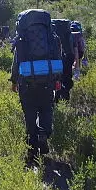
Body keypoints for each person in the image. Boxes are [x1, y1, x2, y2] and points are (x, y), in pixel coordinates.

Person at [9, 9, 62, 164]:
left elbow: (16, 63)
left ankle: (31, 152)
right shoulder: (53, 38)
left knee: (30, 116)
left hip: (26, 84)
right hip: (47, 81)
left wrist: (14, 82)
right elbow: (58, 58)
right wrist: (57, 79)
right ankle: (44, 133)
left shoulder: (21, 40)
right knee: (46, 109)